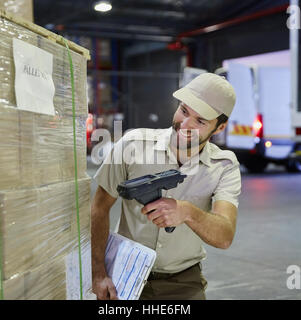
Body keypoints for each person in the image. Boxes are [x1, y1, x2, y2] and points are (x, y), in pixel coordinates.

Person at [91, 73, 241, 300]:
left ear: (220, 128)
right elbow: (99, 209)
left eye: (200, 121)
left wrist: (188, 212)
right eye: (184, 110)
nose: (185, 125)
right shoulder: (133, 145)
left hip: (183, 282)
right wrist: (98, 273)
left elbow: (224, 236)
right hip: (123, 274)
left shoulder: (223, 166)